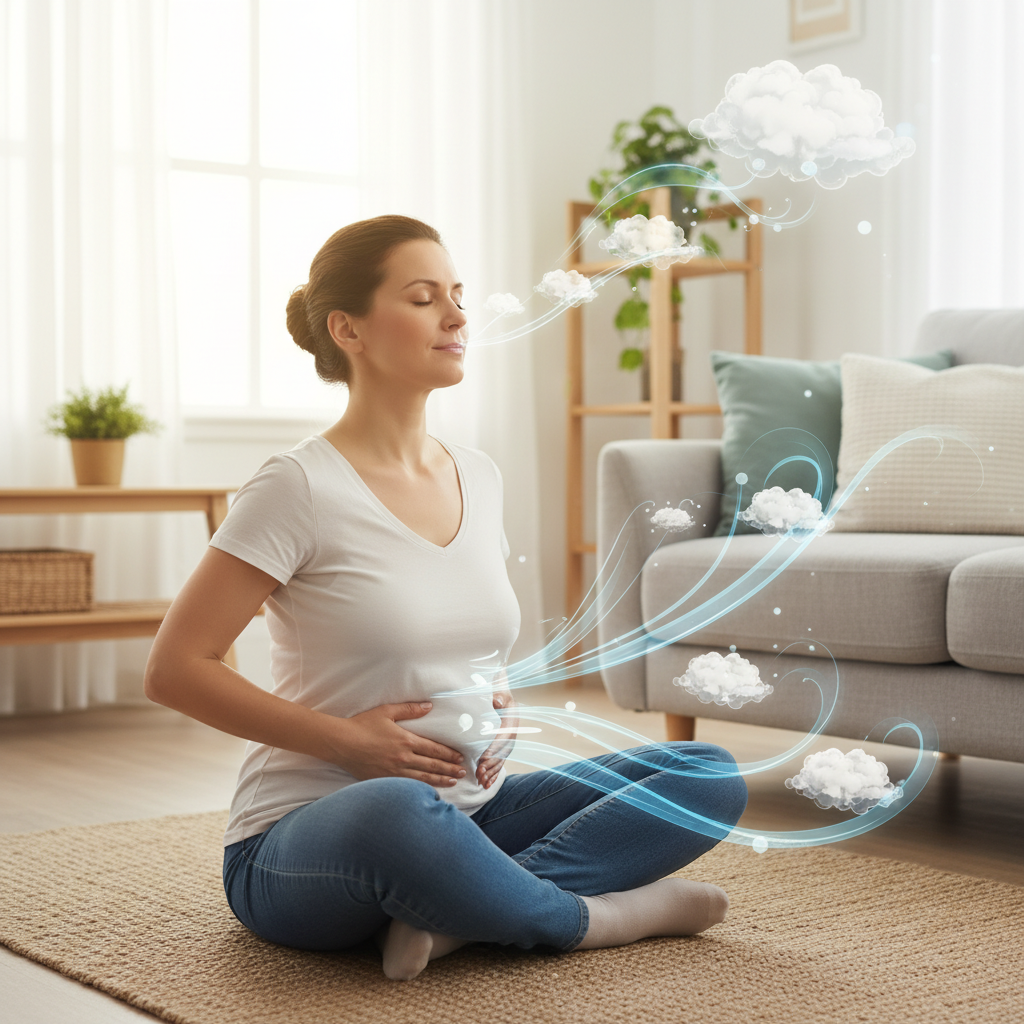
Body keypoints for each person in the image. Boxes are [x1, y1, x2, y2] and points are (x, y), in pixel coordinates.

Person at [144, 215, 748, 981]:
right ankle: (593, 918)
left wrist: (492, 699)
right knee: (395, 809)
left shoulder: (479, 475)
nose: (459, 317)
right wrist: (347, 742)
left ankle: (460, 909)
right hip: (306, 841)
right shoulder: (296, 485)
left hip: (471, 811)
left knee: (707, 774)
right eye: (426, 298)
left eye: (457, 295)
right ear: (349, 330)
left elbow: (460, 637)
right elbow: (174, 669)